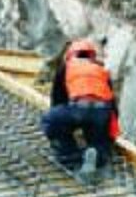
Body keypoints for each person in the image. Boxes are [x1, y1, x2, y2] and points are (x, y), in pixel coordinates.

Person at [42, 39, 120, 177]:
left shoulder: (66, 67)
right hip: (101, 112)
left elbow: (57, 100)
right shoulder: (101, 70)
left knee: (50, 119)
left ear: (71, 55)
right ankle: (96, 154)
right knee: (98, 140)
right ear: (92, 56)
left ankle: (71, 157)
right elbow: (112, 105)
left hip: (79, 109)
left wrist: (68, 127)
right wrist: (109, 137)